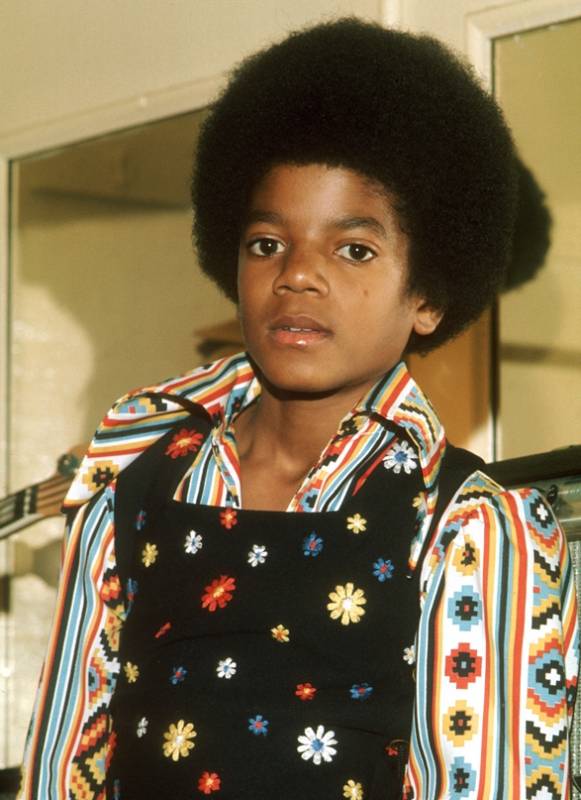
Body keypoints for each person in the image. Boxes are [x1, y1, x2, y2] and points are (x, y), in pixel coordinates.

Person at [19, 18, 578, 800]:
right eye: (265, 243)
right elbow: (62, 766)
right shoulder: (131, 486)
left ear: (426, 296)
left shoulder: (468, 525)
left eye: (353, 249)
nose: (297, 275)